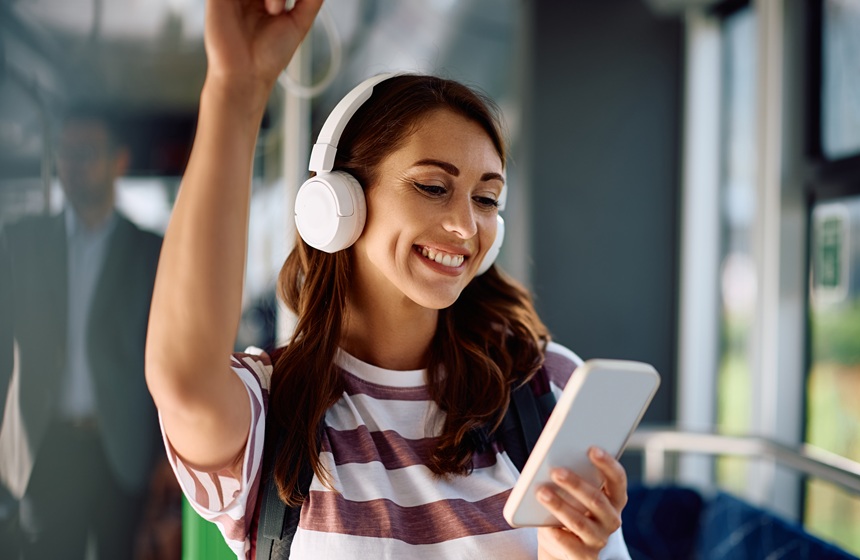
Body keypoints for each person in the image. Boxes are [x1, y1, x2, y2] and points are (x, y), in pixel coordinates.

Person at [144, 0, 631, 558]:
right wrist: (236, 88)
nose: (465, 225)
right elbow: (182, 382)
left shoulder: (547, 388)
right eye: (432, 187)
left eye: (486, 198)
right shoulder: (273, 411)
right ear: (340, 205)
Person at [0, 107, 167, 559]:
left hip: (123, 448)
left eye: (86, 153)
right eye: (65, 153)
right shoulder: (21, 243)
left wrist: (164, 456)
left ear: (120, 161)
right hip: (43, 444)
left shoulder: (151, 252)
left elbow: (166, 356)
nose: (72, 165)